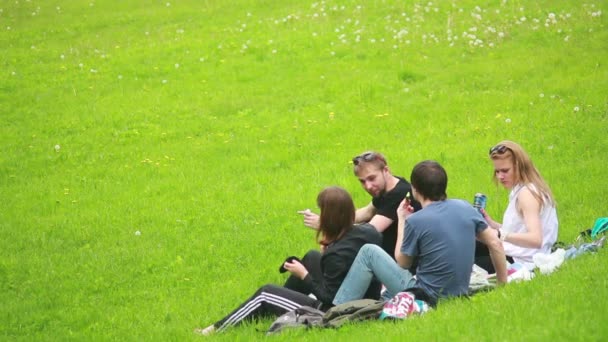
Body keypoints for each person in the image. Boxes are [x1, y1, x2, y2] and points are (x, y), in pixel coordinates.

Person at [195, 186, 382, 335]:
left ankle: (215, 330)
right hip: (365, 296)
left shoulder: (336, 254)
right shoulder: (368, 231)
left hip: (329, 313)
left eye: (322, 212)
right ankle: (278, 303)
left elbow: (328, 298)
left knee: (265, 292)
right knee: (312, 257)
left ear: (330, 217)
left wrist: (304, 275)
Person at [332, 160, 508, 307]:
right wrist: (502, 284)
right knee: (382, 300)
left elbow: (402, 262)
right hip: (457, 292)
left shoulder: (416, 221)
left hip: (426, 296)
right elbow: (495, 243)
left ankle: (336, 308)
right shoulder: (465, 207)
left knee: (369, 252)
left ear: (415, 189)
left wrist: (402, 220)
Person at [299, 151, 421, 260]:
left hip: (396, 264)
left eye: (372, 178)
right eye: (362, 181)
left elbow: (368, 232)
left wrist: (327, 227)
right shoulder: (388, 187)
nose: (368, 186)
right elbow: (366, 212)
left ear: (386, 171)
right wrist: (330, 218)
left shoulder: (399, 194)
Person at [475, 141, 559, 272]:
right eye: (497, 171)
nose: (500, 177)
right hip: (515, 254)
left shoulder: (527, 194)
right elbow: (520, 231)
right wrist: (492, 225)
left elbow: (536, 240)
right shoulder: (521, 189)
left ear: (519, 166)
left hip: (519, 261)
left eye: (505, 171)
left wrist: (499, 234)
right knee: (466, 242)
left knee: (460, 257)